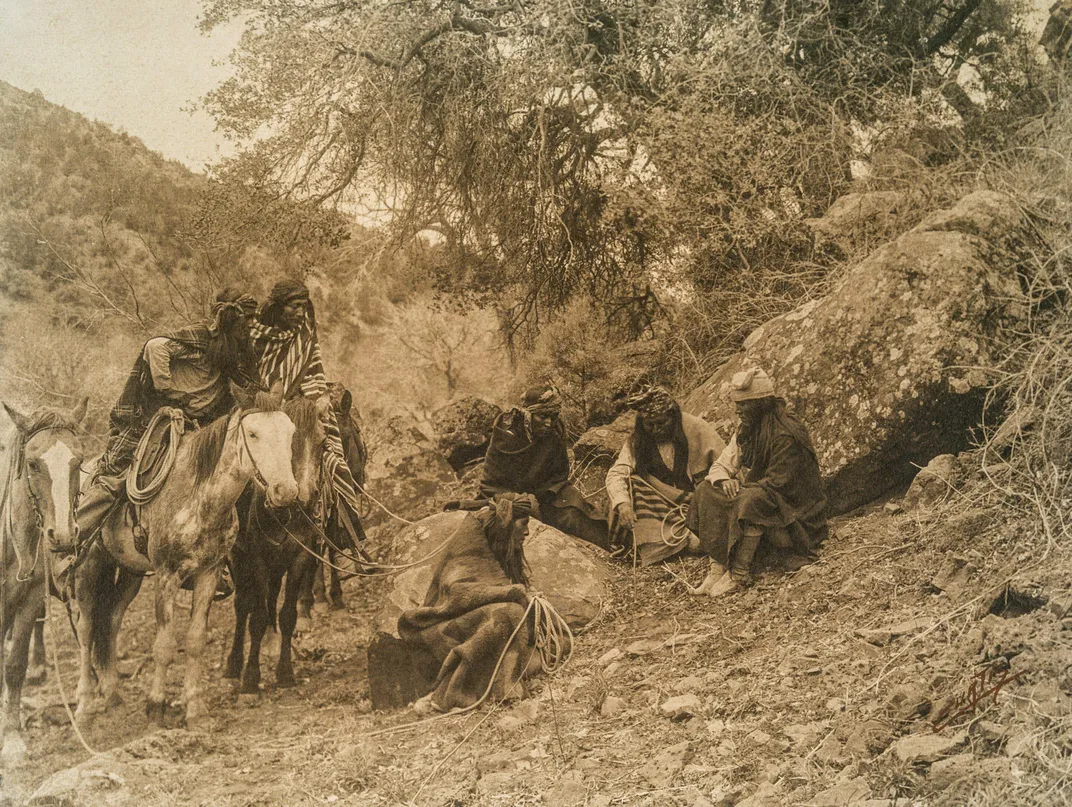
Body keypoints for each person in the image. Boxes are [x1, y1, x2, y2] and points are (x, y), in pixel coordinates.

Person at [74, 288, 260, 556]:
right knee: (120, 472)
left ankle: (218, 557)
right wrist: (168, 390)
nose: (251, 325)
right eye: (248, 319)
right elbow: (155, 346)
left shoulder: (237, 351)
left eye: (254, 319)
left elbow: (248, 385)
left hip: (205, 425)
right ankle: (73, 541)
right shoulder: (201, 339)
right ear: (231, 317)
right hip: (162, 416)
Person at [688, 367, 828, 598]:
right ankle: (717, 569)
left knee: (750, 499)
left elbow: (778, 484)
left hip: (796, 516)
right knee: (706, 488)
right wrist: (724, 481)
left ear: (760, 404)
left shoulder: (786, 434)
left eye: (743, 404)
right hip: (768, 501)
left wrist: (741, 490)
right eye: (737, 404)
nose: (738, 410)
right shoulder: (748, 430)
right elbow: (722, 465)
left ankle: (739, 573)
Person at [250, 280, 365, 548]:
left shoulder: (305, 335)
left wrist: (319, 398)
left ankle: (340, 528)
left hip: (297, 406)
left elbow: (313, 370)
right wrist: (266, 399)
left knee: (333, 447)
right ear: (279, 307)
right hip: (259, 407)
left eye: (303, 307)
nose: (300, 312)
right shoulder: (254, 335)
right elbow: (246, 373)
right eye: (294, 306)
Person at [480, 384, 612, 550]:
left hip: (546, 494)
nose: (549, 422)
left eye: (553, 416)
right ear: (528, 414)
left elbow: (559, 474)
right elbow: (492, 480)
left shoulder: (554, 432)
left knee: (576, 512)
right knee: (515, 517)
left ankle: (612, 546)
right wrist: (521, 498)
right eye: (542, 416)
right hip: (507, 493)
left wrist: (545, 495)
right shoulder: (506, 434)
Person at [605, 385, 726, 566]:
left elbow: (726, 465)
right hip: (660, 507)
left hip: (698, 504)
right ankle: (672, 541)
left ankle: (682, 540)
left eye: (661, 423)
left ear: (673, 416)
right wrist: (623, 503)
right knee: (630, 485)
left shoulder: (697, 429)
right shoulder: (638, 440)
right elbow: (617, 472)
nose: (656, 430)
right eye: (649, 425)